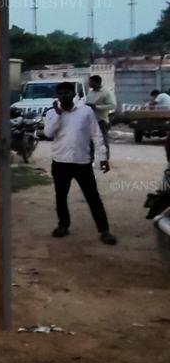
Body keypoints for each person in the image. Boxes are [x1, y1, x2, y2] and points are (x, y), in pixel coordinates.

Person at [43, 81, 116, 244]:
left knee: (93, 197)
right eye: (60, 93)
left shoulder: (86, 111)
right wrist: (58, 114)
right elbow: (48, 133)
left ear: (73, 94)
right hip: (60, 162)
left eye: (67, 92)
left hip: (82, 162)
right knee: (61, 196)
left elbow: (96, 136)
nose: (64, 96)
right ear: (57, 96)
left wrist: (103, 158)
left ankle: (104, 230)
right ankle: (63, 225)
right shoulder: (51, 113)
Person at [85, 74, 115, 151]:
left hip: (101, 120)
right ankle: (90, 160)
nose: (89, 84)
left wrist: (96, 107)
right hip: (90, 120)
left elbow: (112, 106)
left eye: (91, 82)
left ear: (97, 82)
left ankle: (105, 159)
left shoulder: (106, 93)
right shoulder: (90, 93)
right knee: (90, 142)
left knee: (102, 141)